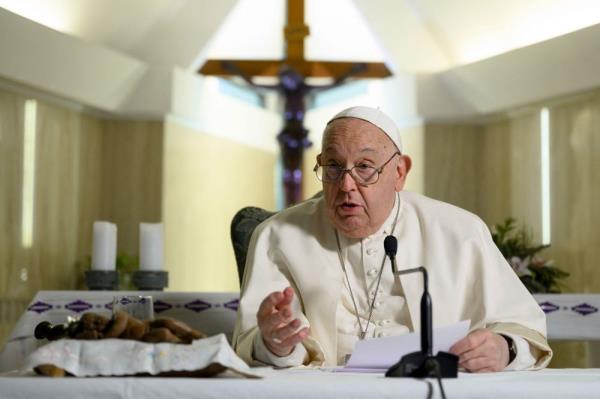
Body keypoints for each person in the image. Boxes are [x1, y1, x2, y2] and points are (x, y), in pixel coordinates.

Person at [233, 106, 552, 372]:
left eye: (365, 168)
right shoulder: (277, 236)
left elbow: (522, 329)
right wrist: (275, 344)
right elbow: (258, 347)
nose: (346, 186)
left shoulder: (461, 232)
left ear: (399, 172)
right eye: (332, 167)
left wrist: (503, 349)